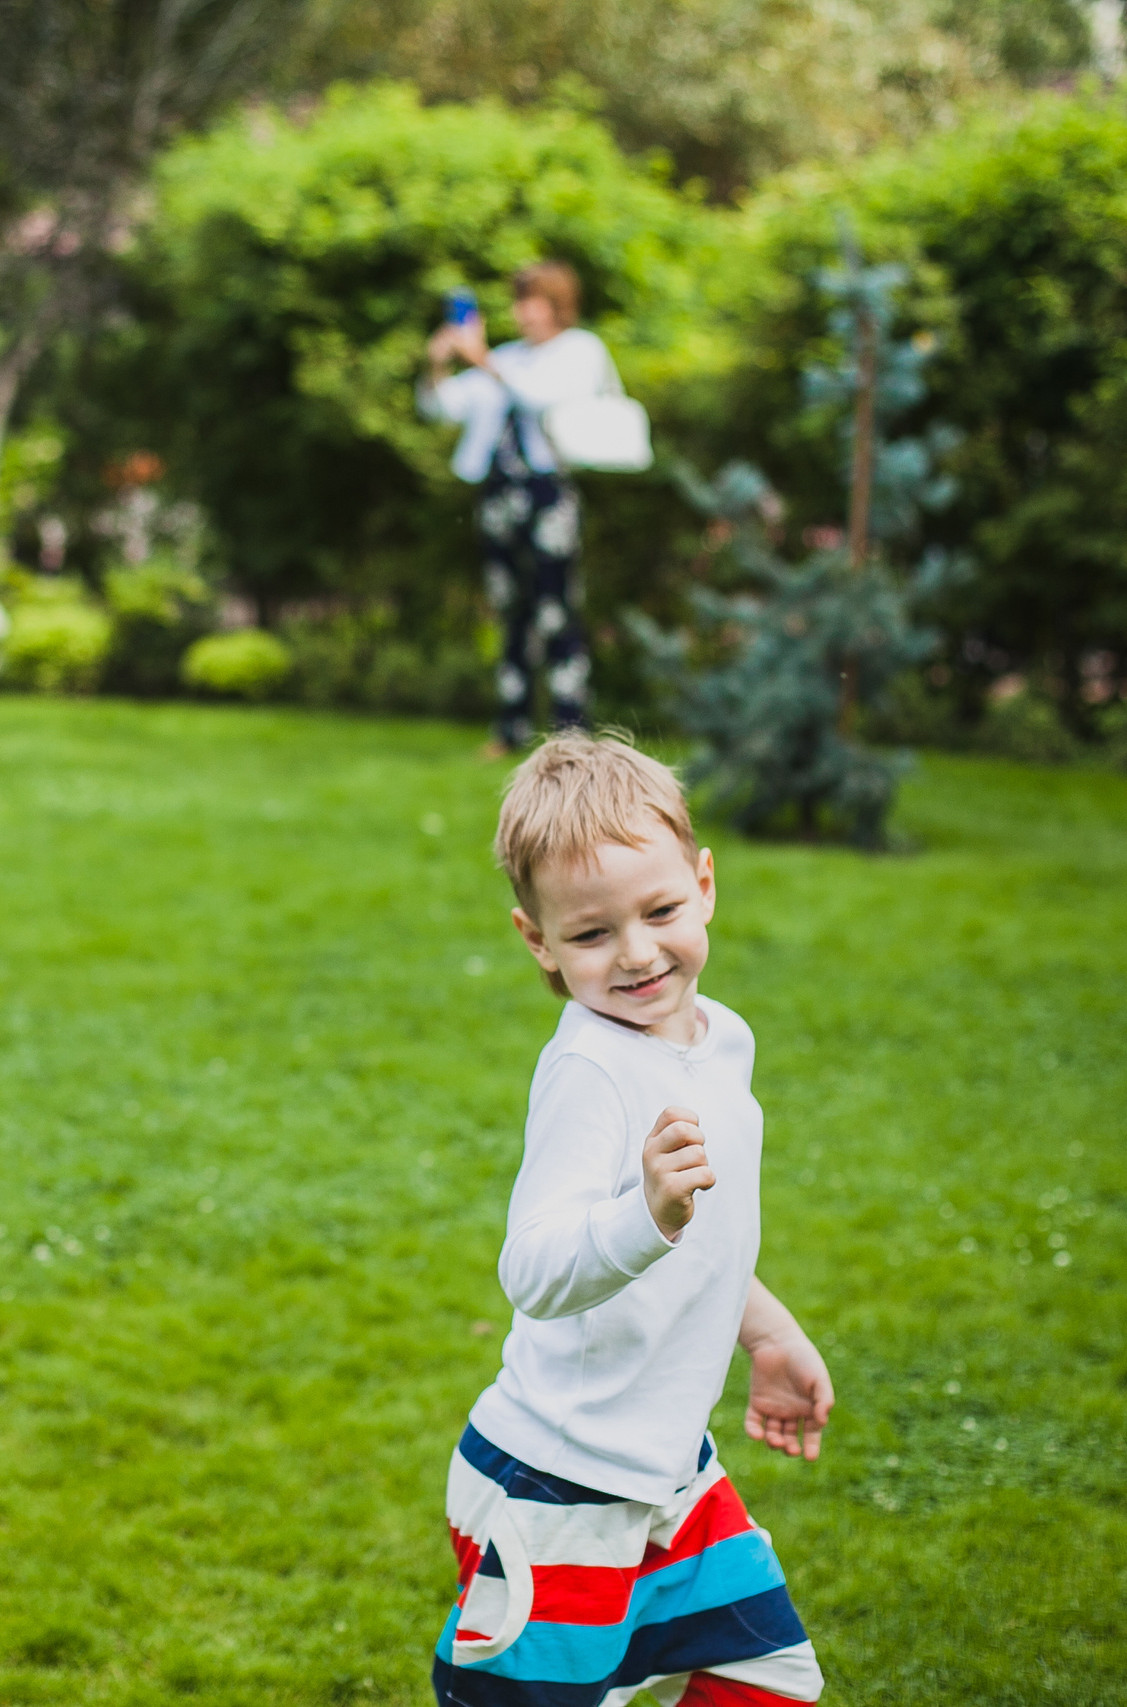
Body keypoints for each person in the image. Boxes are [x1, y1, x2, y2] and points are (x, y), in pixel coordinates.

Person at [433, 732, 834, 1707]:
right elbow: (532, 1269)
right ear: (537, 940)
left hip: (665, 1469)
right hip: (557, 1480)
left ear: (703, 883)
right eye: (591, 933)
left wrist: (767, 1333)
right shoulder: (589, 1072)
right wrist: (643, 1214)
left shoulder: (717, 1040)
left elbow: (713, 1233)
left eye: (659, 910)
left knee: (767, 1678)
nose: (638, 953)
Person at [422, 262, 621, 759]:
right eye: (519, 301)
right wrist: (440, 363)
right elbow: (443, 408)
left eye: (531, 300)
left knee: (557, 610)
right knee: (511, 613)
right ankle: (509, 729)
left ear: (556, 304)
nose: (522, 311)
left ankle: (571, 733)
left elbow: (540, 398)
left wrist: (483, 359)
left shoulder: (579, 351)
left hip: (548, 495)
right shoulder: (508, 356)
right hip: (498, 497)